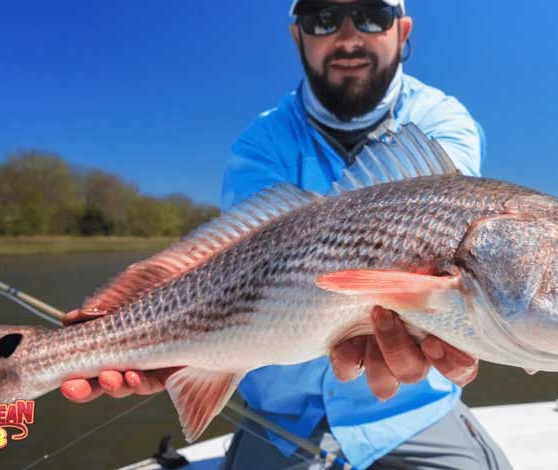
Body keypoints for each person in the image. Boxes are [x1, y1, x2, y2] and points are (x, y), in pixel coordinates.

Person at [61, 1, 510, 468]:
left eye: (372, 15)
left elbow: (450, 230)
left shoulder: (441, 119)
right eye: (322, 18)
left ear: (403, 29)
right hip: (278, 415)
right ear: (298, 36)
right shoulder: (261, 140)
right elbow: (231, 262)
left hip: (410, 408)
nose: (349, 36)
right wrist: (168, 343)